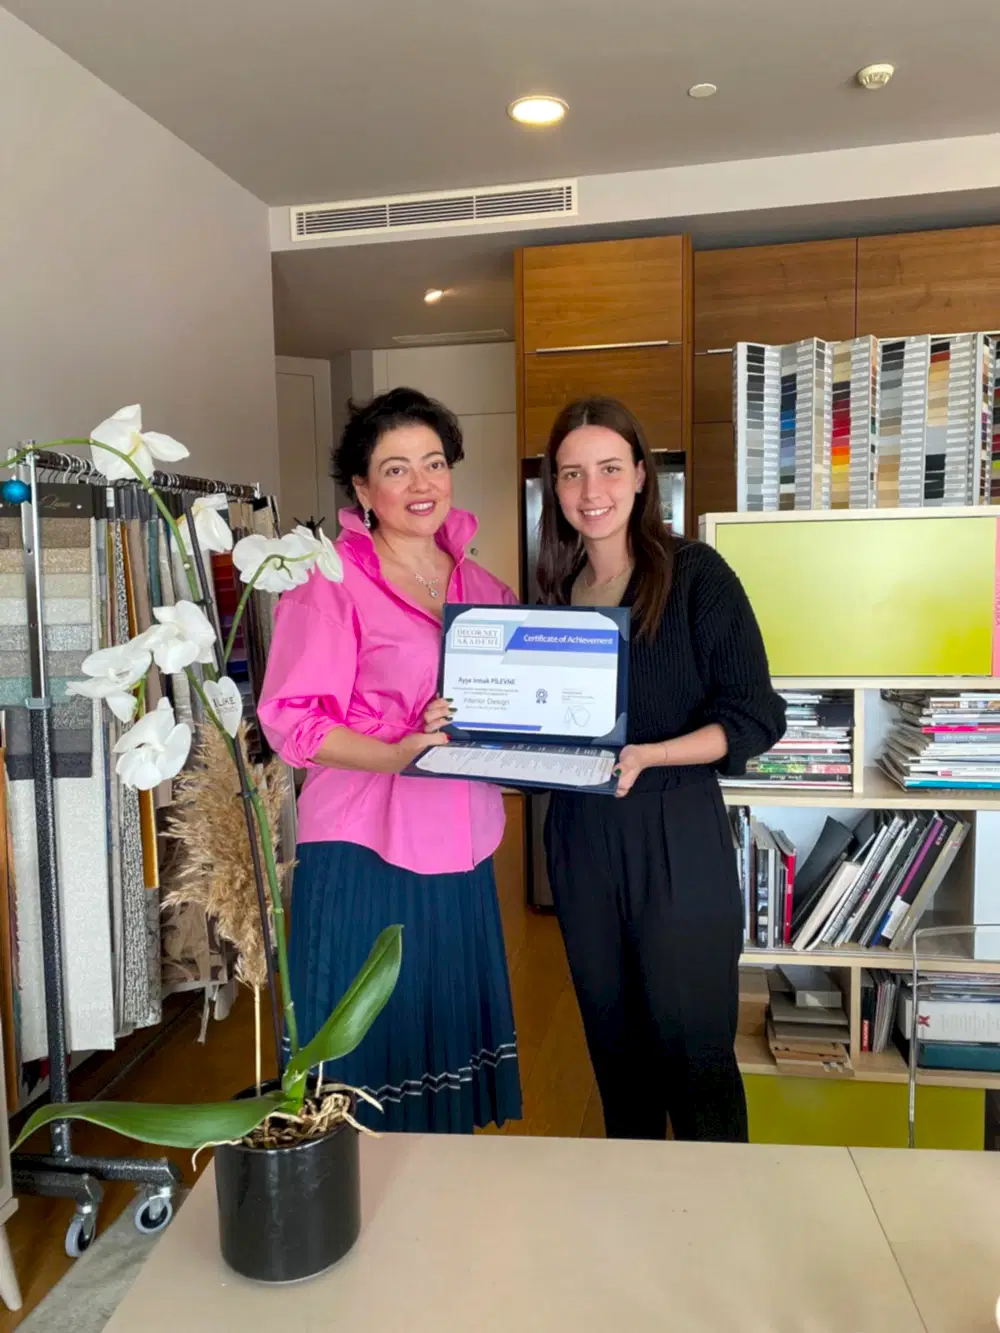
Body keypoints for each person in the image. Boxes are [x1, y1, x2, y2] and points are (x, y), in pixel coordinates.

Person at [258, 387, 522, 1134]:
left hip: (462, 838)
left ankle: (438, 1188)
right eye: (396, 468)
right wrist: (395, 749)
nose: (420, 484)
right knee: (362, 1048)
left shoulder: (483, 586)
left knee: (440, 1023)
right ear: (362, 488)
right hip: (361, 840)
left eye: (434, 463)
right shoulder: (329, 580)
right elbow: (291, 720)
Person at [536, 397, 785, 1143]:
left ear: (642, 475)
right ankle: (636, 1206)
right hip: (581, 836)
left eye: (610, 468)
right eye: (572, 474)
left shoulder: (696, 575)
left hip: (674, 829)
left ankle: (719, 1211)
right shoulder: (559, 593)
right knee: (616, 1056)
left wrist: (650, 755)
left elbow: (755, 716)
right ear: (555, 486)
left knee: (695, 1058)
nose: (592, 491)